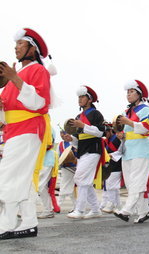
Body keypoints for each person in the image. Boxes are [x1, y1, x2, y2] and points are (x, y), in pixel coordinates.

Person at [0, 28, 53, 239]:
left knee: (8, 177)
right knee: (20, 179)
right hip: (14, 131)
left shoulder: (39, 71)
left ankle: (6, 223)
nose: (16, 47)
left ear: (32, 48)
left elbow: (40, 103)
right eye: (16, 45)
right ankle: (29, 222)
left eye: (21, 44)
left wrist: (14, 79)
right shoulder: (17, 74)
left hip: (28, 128)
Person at [113, 80, 149, 224]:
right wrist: (121, 135)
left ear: (139, 94)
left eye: (131, 92)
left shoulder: (145, 109)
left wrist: (128, 122)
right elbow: (128, 132)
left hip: (142, 149)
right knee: (132, 184)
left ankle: (126, 210)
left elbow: (147, 128)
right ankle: (143, 212)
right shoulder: (127, 111)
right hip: (128, 149)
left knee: (137, 181)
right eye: (127, 92)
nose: (128, 95)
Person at [64, 85, 105, 219]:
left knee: (80, 178)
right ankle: (95, 209)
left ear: (90, 99)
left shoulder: (96, 114)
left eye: (82, 97)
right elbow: (78, 139)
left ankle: (80, 210)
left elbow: (100, 132)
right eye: (79, 97)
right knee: (85, 180)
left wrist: (83, 126)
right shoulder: (78, 116)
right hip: (82, 150)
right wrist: (70, 138)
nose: (80, 99)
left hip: (94, 149)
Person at [37, 130, 60, 219]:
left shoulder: (48, 128)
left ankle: (25, 211)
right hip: (42, 161)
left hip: (47, 161)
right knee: (42, 188)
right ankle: (48, 210)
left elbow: (48, 144)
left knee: (38, 186)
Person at [101, 129, 123, 213]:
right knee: (114, 187)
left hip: (116, 165)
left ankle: (111, 203)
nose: (105, 134)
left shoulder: (116, 139)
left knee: (111, 185)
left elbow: (120, 151)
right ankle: (118, 205)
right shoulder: (108, 140)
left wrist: (110, 155)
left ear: (110, 131)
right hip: (111, 165)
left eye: (106, 132)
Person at [57, 131, 77, 211]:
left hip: (74, 167)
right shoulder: (60, 144)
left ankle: (58, 205)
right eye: (61, 135)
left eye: (64, 134)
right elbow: (58, 156)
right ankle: (75, 206)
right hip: (65, 168)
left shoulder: (73, 142)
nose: (63, 136)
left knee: (67, 186)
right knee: (66, 186)